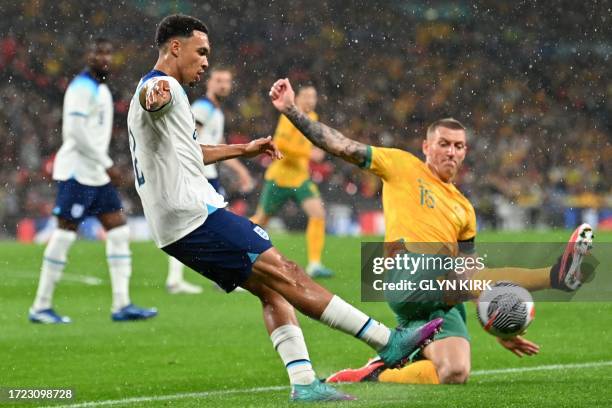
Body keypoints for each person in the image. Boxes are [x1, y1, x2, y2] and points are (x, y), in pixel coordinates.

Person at [126, 14, 442, 402]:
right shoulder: (163, 87)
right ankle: (386, 341)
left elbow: (188, 152)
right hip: (192, 217)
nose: (207, 62)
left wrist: (243, 148)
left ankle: (304, 382)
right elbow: (152, 95)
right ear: (175, 47)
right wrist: (154, 95)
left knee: (272, 289)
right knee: (287, 271)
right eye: (201, 52)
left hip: (176, 223)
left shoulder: (163, 91)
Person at [267, 78, 594, 385]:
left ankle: (377, 372)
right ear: (426, 146)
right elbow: (341, 146)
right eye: (444, 144)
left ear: (466, 151)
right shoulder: (400, 164)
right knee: (443, 266)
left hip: (443, 294)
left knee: (454, 371)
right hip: (406, 275)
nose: (451, 152)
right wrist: (293, 111)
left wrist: (501, 326)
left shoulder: (464, 208)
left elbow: (473, 273)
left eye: (459, 146)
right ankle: (556, 276)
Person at [29, 39, 158, 324]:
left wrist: (103, 166)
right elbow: (74, 132)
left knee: (119, 231)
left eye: (108, 53)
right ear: (87, 56)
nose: (104, 58)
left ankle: (122, 304)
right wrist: (107, 164)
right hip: (78, 172)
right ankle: (40, 306)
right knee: (64, 234)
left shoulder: (100, 88)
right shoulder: (80, 87)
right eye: (97, 53)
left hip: (95, 175)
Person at [166, 67, 253, 294]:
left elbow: (219, 146)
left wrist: (241, 170)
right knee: (213, 225)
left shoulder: (216, 111)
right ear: (209, 83)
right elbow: (187, 139)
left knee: (193, 225)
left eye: (227, 81)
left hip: (209, 175)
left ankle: (185, 278)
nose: (223, 85)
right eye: (219, 80)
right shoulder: (203, 108)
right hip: (199, 175)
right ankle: (226, 275)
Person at [251, 85, 333, 278]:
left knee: (318, 214)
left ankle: (314, 263)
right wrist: (309, 154)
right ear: (298, 99)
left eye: (314, 96)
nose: (311, 100)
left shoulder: (312, 118)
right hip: (280, 178)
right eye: (307, 96)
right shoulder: (288, 117)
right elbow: (282, 146)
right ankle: (235, 247)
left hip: (300, 178)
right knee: (260, 221)